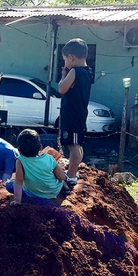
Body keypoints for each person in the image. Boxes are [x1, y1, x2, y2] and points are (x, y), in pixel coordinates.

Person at [58, 38, 92, 189]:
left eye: (65, 59)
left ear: (70, 57)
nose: (65, 62)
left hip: (72, 114)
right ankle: (73, 171)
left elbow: (61, 89)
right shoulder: (88, 71)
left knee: (73, 146)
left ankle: (71, 176)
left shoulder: (74, 71)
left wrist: (63, 74)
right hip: (80, 113)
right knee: (77, 145)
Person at [8, 129, 67, 206]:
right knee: (62, 177)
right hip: (53, 192)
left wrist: (17, 200)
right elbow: (62, 177)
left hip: (33, 194)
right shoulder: (49, 158)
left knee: (9, 184)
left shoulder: (20, 160)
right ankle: (65, 186)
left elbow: (19, 181)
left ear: (19, 151)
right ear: (40, 147)